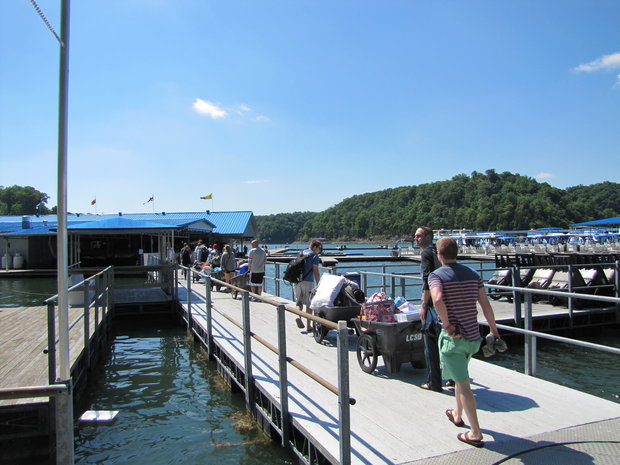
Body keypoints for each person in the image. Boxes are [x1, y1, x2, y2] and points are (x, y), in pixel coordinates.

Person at [429, 237, 500, 448]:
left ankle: (475, 432)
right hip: (473, 337)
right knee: (461, 379)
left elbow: (438, 299)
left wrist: (447, 325)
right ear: (456, 253)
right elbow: (485, 304)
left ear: (439, 255)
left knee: (464, 384)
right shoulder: (473, 275)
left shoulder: (436, 275)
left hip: (455, 339)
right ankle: (457, 414)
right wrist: (494, 331)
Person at [414, 226, 445, 392]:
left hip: (434, 303)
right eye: (415, 236)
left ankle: (433, 381)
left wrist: (424, 305)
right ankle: (454, 378)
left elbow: (427, 280)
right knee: (447, 342)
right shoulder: (439, 252)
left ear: (428, 237)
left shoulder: (426, 253)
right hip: (447, 302)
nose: (416, 239)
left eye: (419, 236)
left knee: (431, 343)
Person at [294, 240, 322, 332]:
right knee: (309, 304)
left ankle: (298, 316)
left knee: (299, 301)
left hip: (297, 281)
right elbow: (316, 272)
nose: (320, 250)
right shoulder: (314, 256)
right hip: (308, 282)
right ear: (314, 247)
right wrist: (319, 284)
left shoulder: (301, 252)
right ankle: (308, 325)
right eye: (319, 248)